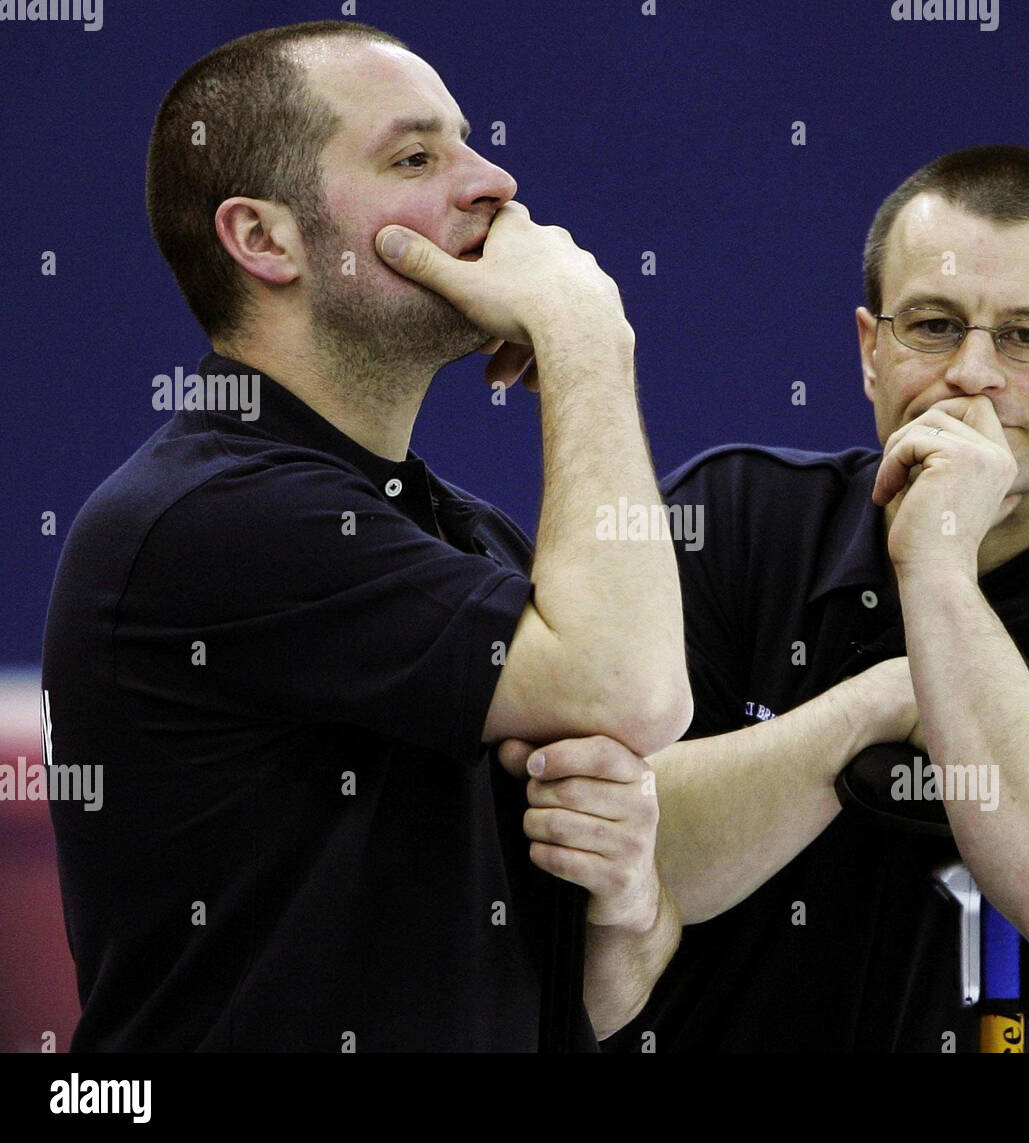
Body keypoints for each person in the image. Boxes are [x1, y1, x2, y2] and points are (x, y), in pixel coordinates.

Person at [41, 20, 691, 1052]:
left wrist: (623, 903)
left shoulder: (464, 537)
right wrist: (584, 339)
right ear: (264, 240)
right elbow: (635, 691)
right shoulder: (209, 520)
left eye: (469, 145)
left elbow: (582, 1007)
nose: (495, 184)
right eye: (415, 157)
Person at [595, 145, 1029, 1052]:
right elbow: (615, 859)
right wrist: (881, 703)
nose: (973, 372)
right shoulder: (734, 518)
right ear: (872, 349)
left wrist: (939, 567)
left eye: (1027, 336)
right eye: (936, 326)